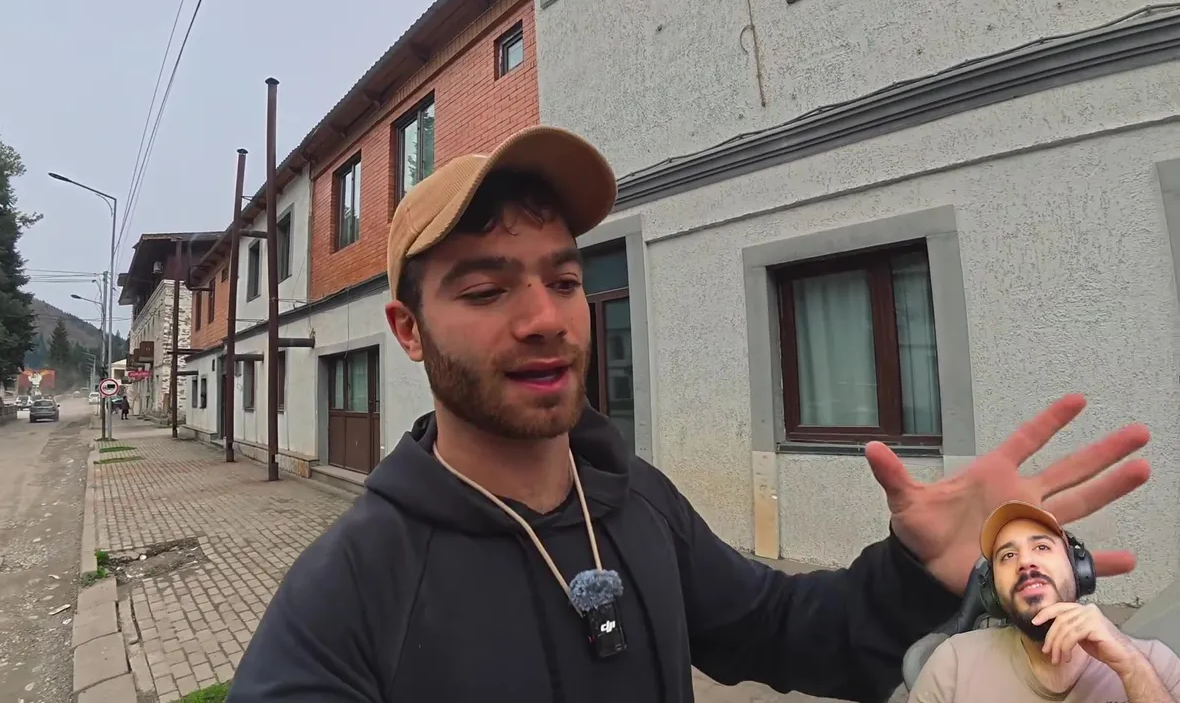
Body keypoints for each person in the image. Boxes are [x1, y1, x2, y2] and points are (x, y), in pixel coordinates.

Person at [227, 126, 1152, 702]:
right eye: (485, 289)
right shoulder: (348, 592)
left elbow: (781, 628)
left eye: (563, 280)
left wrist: (918, 576)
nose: (546, 318)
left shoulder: (635, 501)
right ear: (409, 329)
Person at [909, 501, 1180, 701]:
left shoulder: (1152, 663)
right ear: (992, 591)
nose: (1025, 561)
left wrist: (1132, 669)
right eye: (1007, 556)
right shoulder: (953, 664)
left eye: (1042, 547)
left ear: (1078, 569)